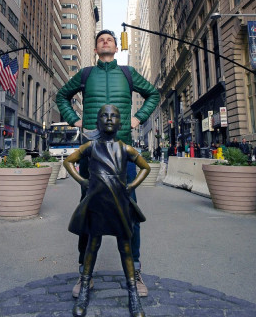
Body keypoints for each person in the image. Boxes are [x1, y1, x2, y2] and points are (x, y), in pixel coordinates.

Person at [57, 29, 159, 298]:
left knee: (129, 212)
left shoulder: (127, 73)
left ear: (116, 48)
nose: (105, 42)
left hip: (122, 153)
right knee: (88, 211)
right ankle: (84, 273)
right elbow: (61, 96)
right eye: (101, 40)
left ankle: (135, 271)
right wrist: (74, 120)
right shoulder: (85, 74)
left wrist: (138, 118)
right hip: (93, 153)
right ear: (95, 48)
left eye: (110, 40)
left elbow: (153, 94)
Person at [64, 105, 150, 317]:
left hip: (119, 204)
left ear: (120, 123)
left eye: (114, 116)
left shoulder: (125, 149)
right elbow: (68, 161)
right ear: (98, 122)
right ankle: (84, 288)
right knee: (92, 246)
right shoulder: (91, 147)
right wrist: (83, 181)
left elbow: (145, 167)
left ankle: (133, 294)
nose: (109, 119)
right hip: (97, 205)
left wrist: (131, 186)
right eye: (104, 115)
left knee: (126, 248)